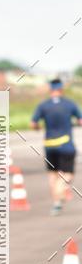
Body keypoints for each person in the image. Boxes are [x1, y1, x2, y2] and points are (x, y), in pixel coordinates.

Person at [31, 77, 82, 215]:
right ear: (61, 89)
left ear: (50, 89)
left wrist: (38, 128)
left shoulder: (43, 105)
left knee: (52, 175)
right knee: (68, 175)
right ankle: (60, 194)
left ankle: (56, 204)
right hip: (66, 145)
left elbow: (34, 124)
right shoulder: (70, 104)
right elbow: (80, 120)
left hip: (49, 145)